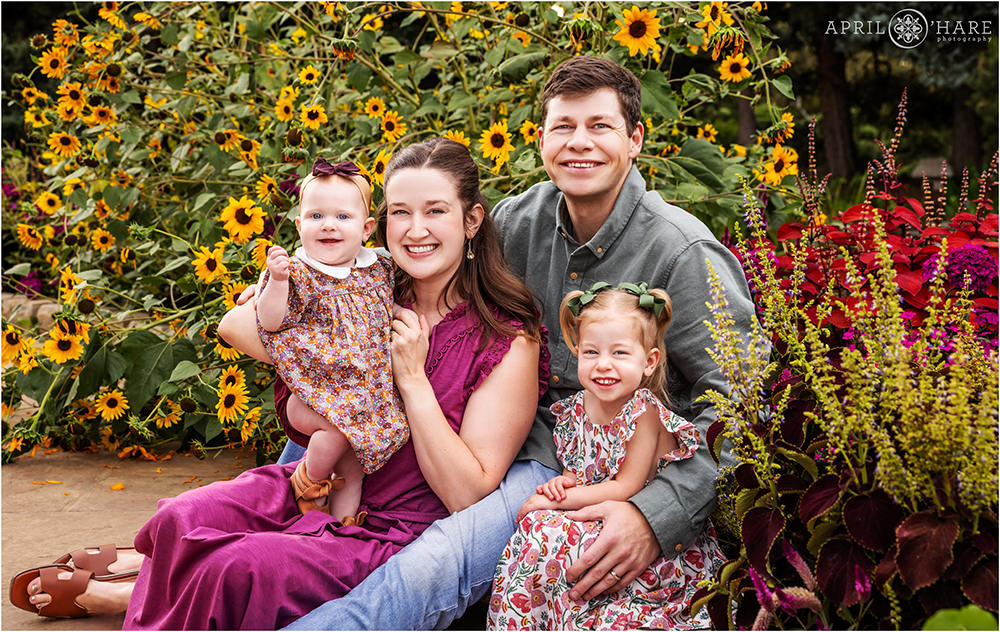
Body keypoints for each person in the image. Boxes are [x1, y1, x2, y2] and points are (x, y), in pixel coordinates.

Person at [281, 56, 756, 630]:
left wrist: (652, 515)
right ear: (540, 140)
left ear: (635, 139)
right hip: (495, 439)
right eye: (563, 126)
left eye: (600, 126)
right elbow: (419, 265)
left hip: (591, 467)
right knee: (300, 491)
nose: (579, 143)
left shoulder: (682, 253)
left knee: (434, 564)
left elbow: (739, 407)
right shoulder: (515, 221)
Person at [9, 138, 548, 629]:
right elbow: (236, 325)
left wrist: (411, 378)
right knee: (179, 517)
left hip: (390, 526)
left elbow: (466, 492)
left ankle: (129, 598)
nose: (415, 230)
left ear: (473, 220)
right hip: (313, 484)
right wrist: (311, 339)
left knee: (237, 567)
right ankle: (144, 597)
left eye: (436, 212)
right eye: (399, 213)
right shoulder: (362, 285)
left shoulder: (506, 337)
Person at [488, 282, 725, 630]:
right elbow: (581, 471)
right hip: (600, 515)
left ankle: (579, 613)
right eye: (591, 353)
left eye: (619, 354)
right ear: (577, 352)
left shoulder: (643, 412)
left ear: (649, 361)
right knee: (536, 530)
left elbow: (624, 486)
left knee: (541, 528)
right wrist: (561, 485)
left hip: (647, 535)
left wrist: (555, 502)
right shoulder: (575, 408)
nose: (603, 366)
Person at [256, 157, 407, 521]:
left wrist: (402, 315)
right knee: (336, 432)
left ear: (367, 227)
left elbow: (388, 307)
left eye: (342, 217)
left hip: (364, 400)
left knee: (354, 473)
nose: (328, 226)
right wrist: (275, 283)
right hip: (315, 396)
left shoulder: (377, 269)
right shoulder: (299, 273)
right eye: (315, 216)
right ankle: (307, 482)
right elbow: (270, 321)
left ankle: (342, 528)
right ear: (299, 225)